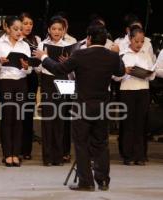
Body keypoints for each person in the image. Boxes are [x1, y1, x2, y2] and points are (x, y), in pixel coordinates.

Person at [33, 24, 125, 191]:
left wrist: (44, 57)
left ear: (89, 38)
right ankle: (103, 180)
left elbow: (58, 69)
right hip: (103, 106)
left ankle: (86, 182)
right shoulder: (112, 56)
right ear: (105, 41)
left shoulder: (80, 54)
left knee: (81, 144)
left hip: (82, 105)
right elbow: (120, 73)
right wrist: (117, 55)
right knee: (101, 144)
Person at [0, 16, 32, 167]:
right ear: (7, 28)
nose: (19, 32)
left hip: (21, 82)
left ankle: (16, 153)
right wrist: (0, 62)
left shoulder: (25, 45)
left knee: (19, 119)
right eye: (16, 29)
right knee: (7, 118)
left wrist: (26, 67)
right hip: (5, 82)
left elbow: (29, 70)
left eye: (21, 29)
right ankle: (7, 154)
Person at [113, 26, 155, 166]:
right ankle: (128, 155)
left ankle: (140, 155)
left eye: (141, 41)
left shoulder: (146, 55)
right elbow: (115, 76)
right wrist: (125, 71)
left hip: (143, 90)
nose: (139, 44)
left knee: (140, 124)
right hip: (127, 91)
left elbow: (152, 75)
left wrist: (148, 73)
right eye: (136, 41)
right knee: (128, 124)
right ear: (130, 39)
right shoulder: (123, 55)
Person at [36, 15, 71, 166]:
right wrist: (45, 59)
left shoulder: (69, 46)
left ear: (64, 31)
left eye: (60, 29)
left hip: (64, 81)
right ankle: (48, 157)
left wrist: (67, 63)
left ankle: (59, 156)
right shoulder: (42, 44)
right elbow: (37, 68)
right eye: (54, 29)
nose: (57, 31)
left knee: (61, 119)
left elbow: (73, 71)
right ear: (49, 30)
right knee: (48, 118)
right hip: (48, 80)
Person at [19, 12, 41, 160]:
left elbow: (39, 62)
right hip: (17, 77)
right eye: (25, 23)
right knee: (16, 113)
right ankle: (15, 148)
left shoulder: (36, 40)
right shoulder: (14, 39)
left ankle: (26, 149)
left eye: (30, 24)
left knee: (27, 113)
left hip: (31, 78)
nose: (28, 26)